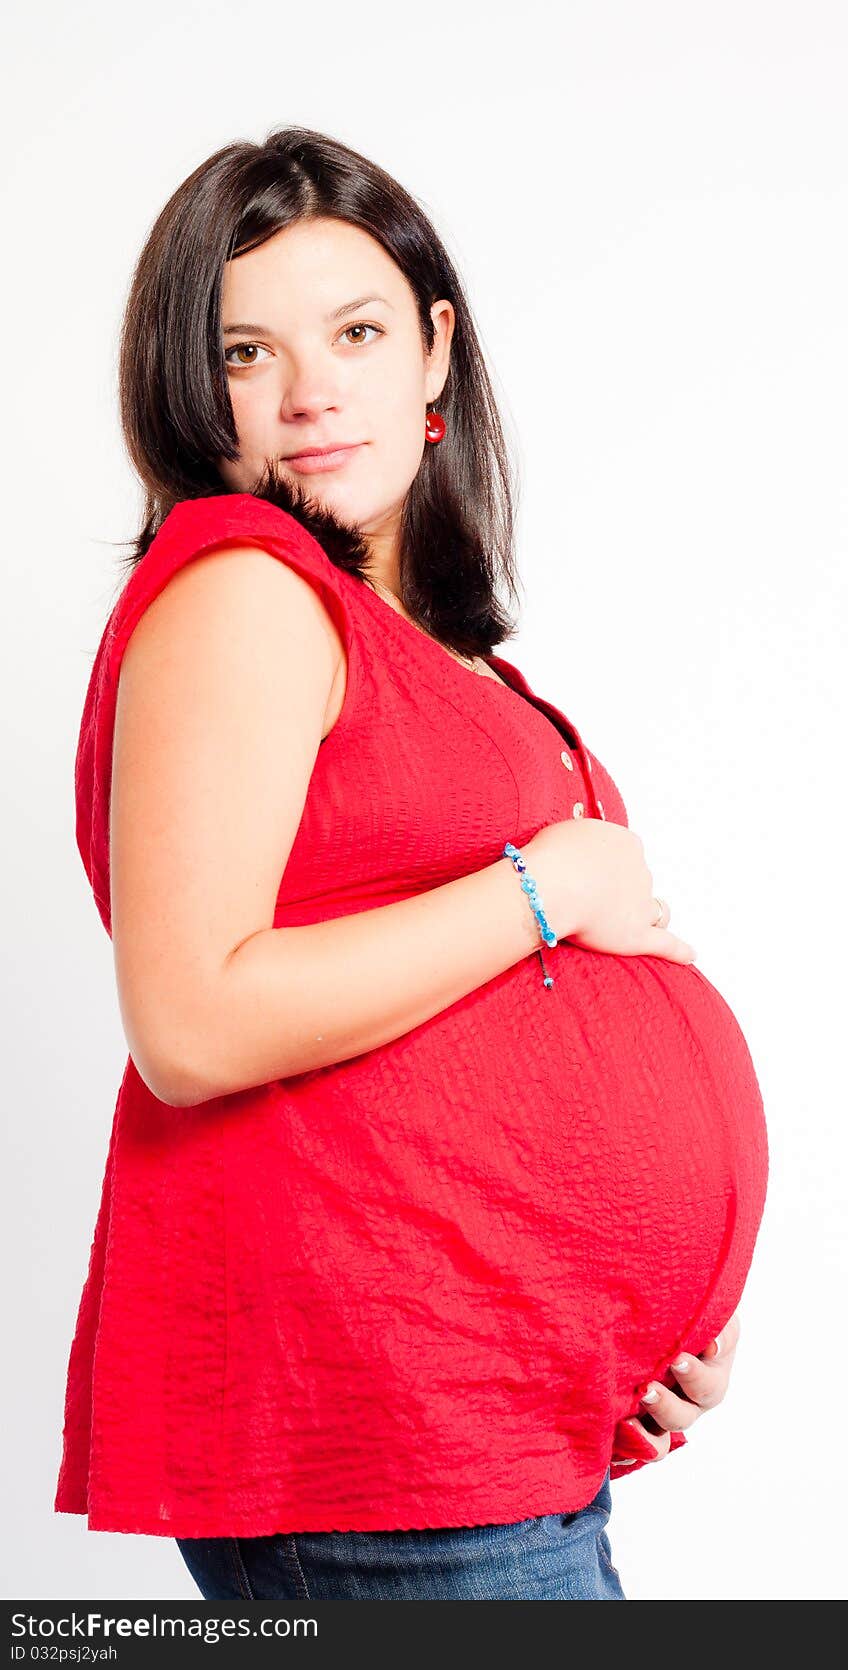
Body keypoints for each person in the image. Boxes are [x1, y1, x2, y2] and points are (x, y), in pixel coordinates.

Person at [54, 126, 768, 1602]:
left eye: (357, 331)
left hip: (499, 1433)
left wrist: (651, 1315)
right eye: (246, 351)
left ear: (435, 352)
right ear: (195, 390)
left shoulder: (430, 644)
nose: (311, 388)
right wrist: (546, 888)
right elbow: (190, 1021)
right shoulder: (245, 587)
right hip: (381, 1440)